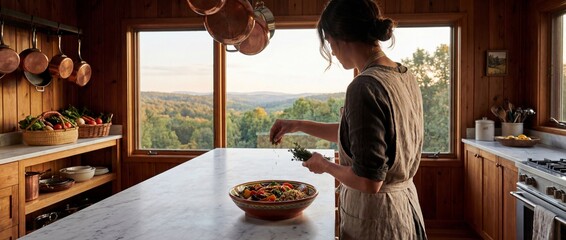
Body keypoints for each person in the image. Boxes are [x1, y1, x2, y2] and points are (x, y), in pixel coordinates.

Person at [269, 0, 427, 239]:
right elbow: (361, 138)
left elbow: (368, 181)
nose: (331, 50)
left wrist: (325, 166)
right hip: (404, 210)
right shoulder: (404, 75)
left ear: (340, 37)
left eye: (330, 42)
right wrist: (297, 125)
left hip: (377, 221)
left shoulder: (364, 86)